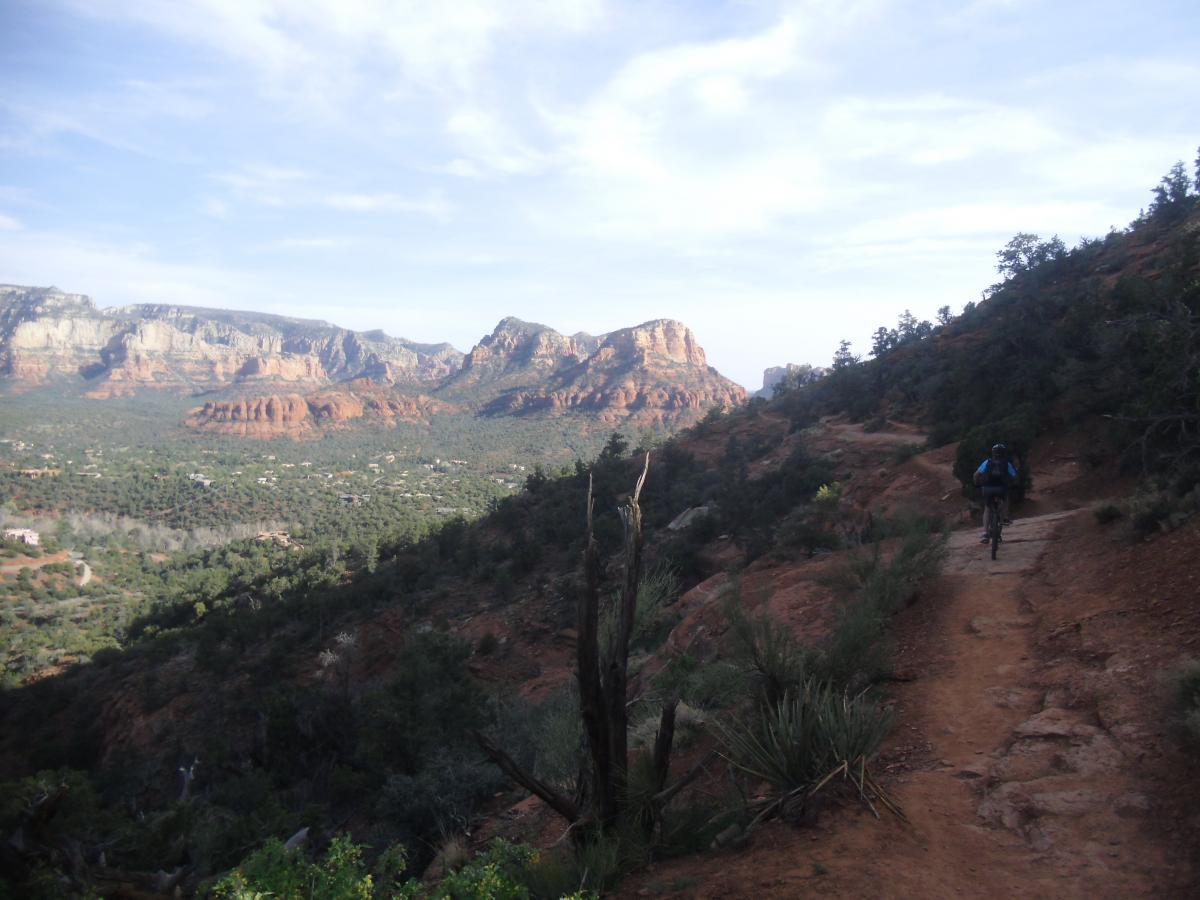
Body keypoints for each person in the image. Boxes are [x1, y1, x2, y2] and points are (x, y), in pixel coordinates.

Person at [973, 443, 1017, 543]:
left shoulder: (987, 462)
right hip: (1001, 489)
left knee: (987, 509)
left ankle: (985, 533)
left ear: (993, 453)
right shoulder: (1007, 463)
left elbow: (976, 475)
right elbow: (1014, 476)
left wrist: (977, 484)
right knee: (1005, 499)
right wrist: (1013, 484)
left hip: (988, 488)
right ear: (1004, 453)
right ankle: (1005, 518)